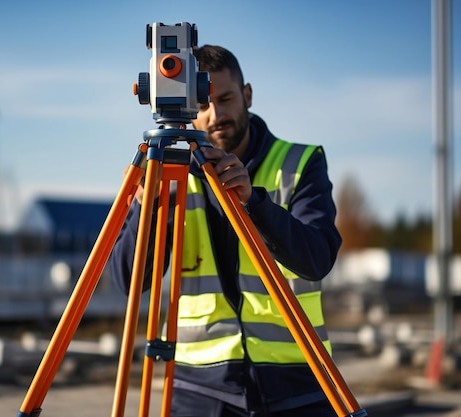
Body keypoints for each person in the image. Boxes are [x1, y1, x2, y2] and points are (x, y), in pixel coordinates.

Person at [109, 45, 342, 417]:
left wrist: (256, 203)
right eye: (203, 105)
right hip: (199, 390)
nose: (216, 115)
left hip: (300, 383)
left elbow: (317, 259)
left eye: (227, 98)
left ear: (247, 95)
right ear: (189, 108)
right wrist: (145, 209)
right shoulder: (170, 178)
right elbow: (129, 282)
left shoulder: (299, 163)